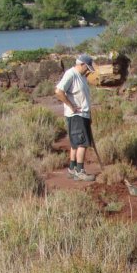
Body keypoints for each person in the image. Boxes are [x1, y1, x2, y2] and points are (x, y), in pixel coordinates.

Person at [54, 54, 97, 182]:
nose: (88, 70)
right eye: (87, 67)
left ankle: (72, 169)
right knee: (82, 144)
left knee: (75, 144)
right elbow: (58, 91)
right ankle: (80, 171)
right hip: (76, 115)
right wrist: (71, 106)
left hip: (82, 115)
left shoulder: (81, 76)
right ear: (81, 64)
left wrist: (88, 115)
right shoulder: (71, 74)